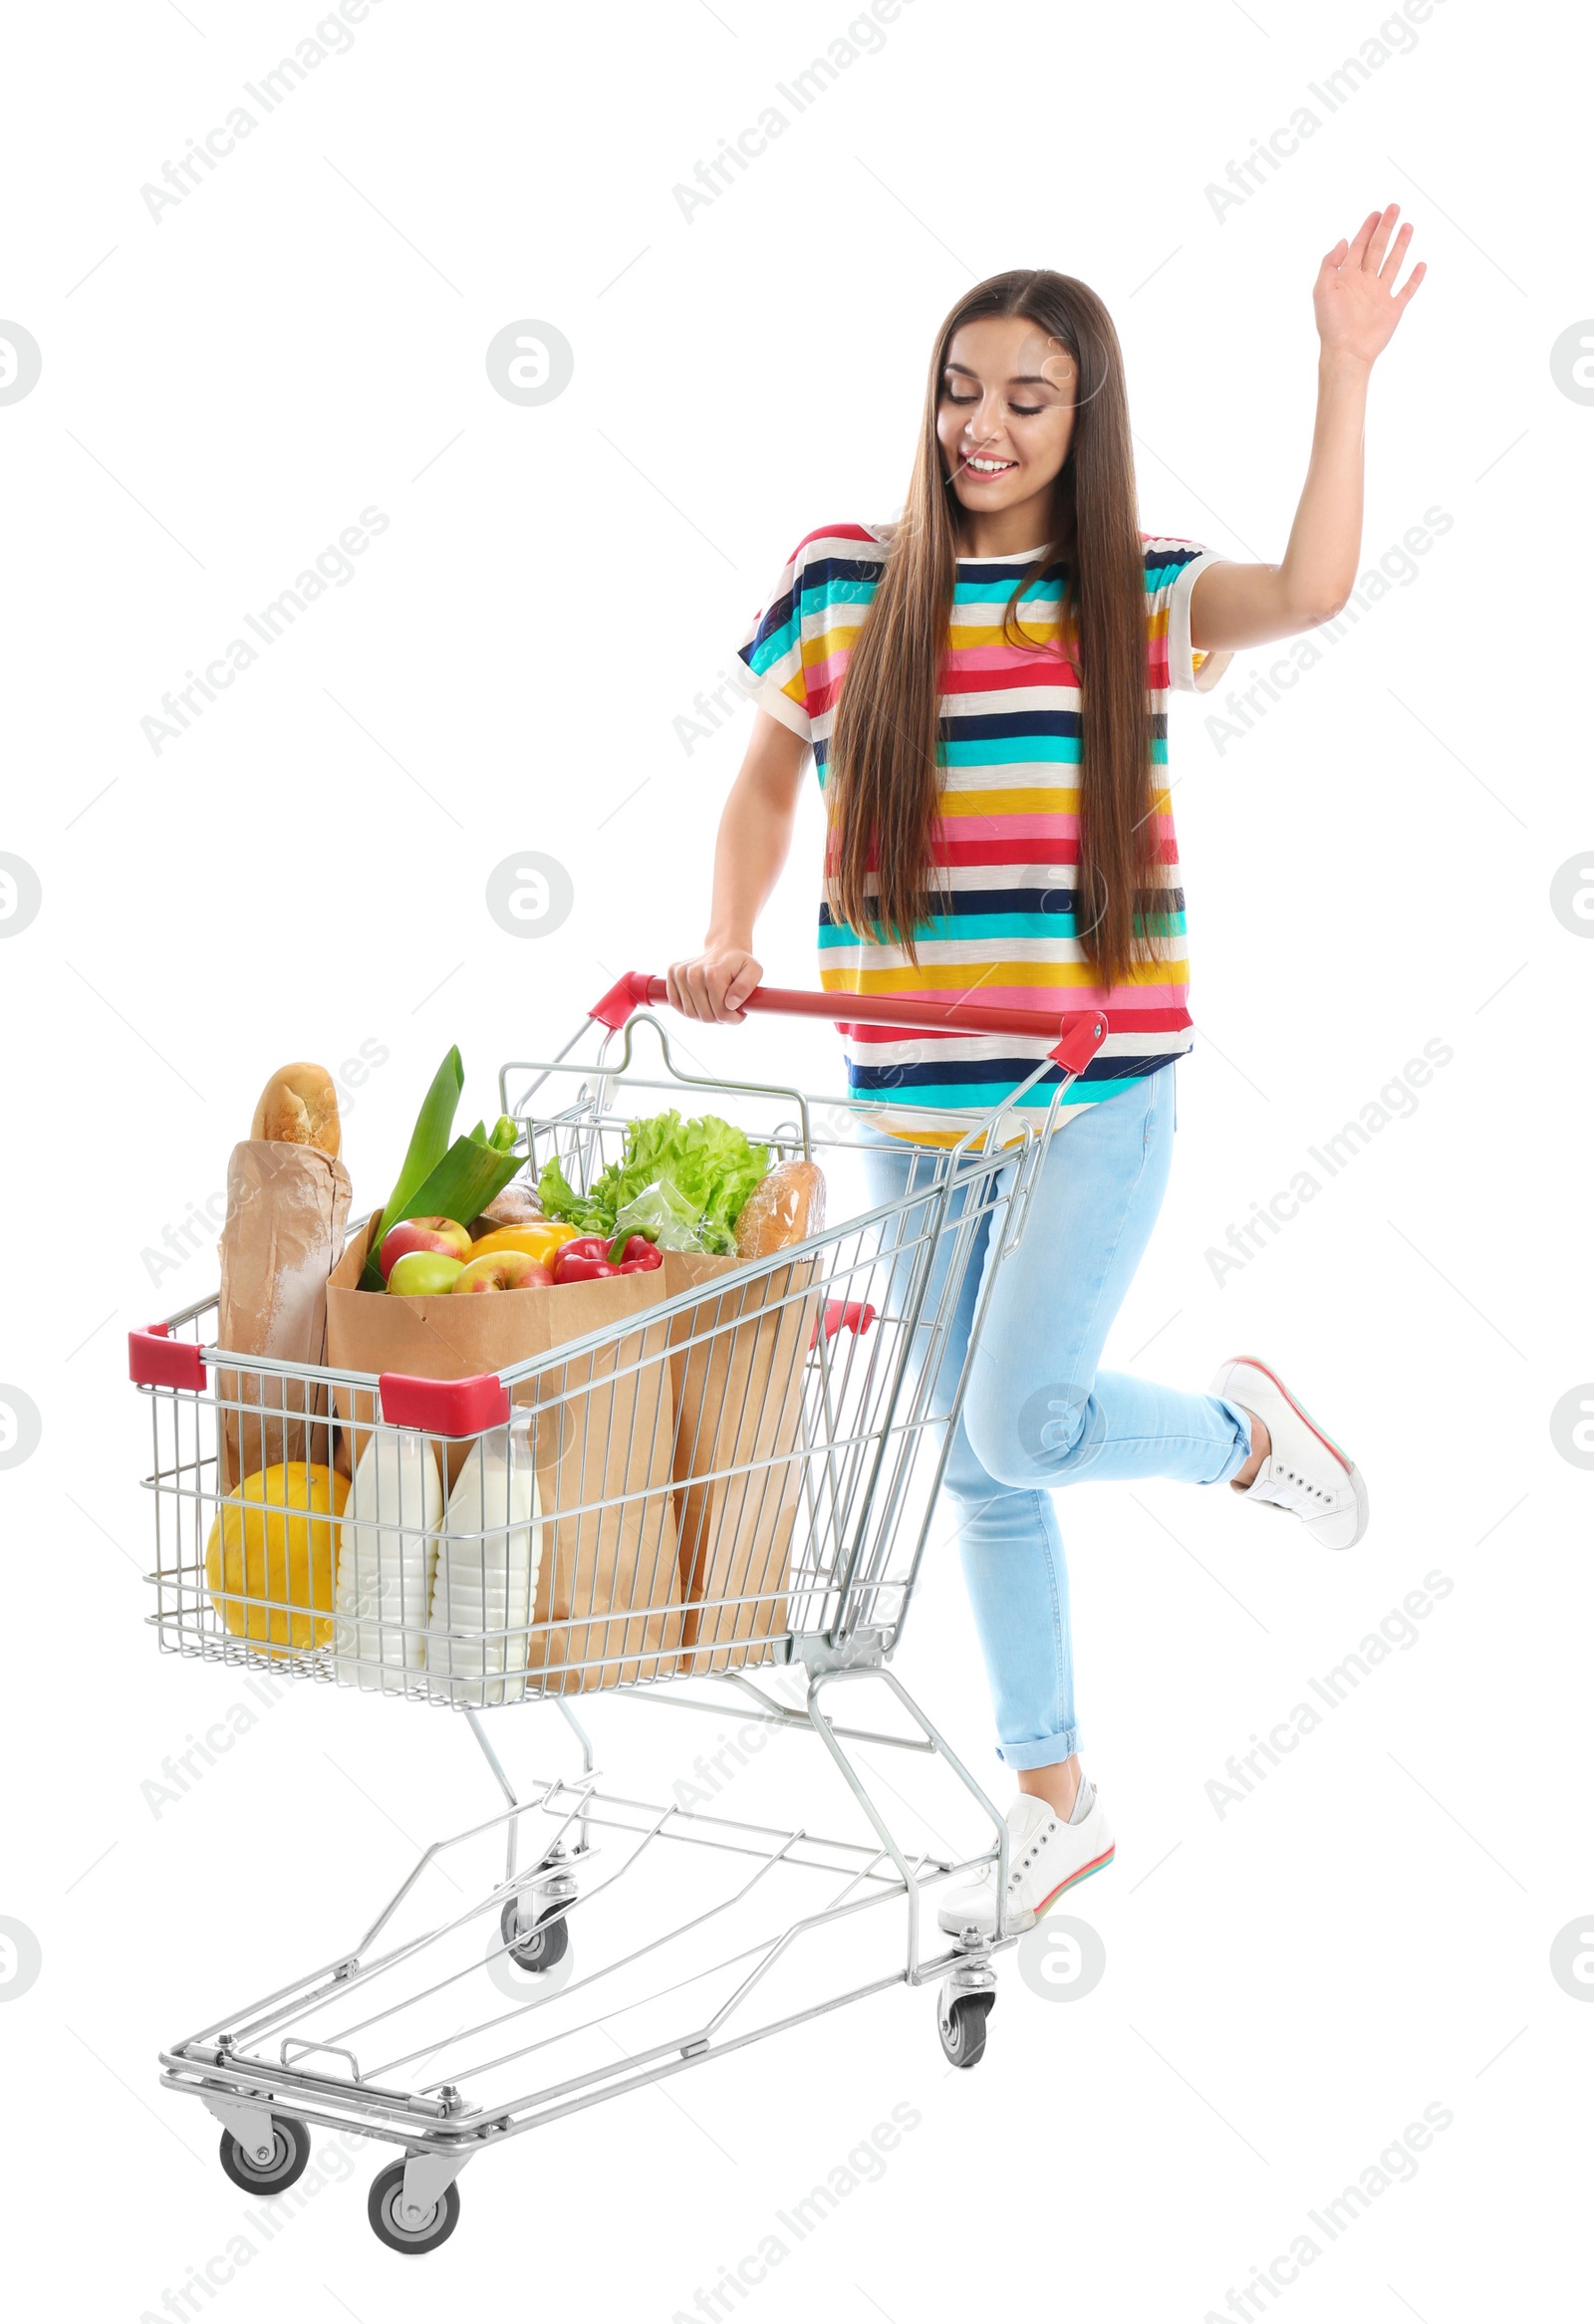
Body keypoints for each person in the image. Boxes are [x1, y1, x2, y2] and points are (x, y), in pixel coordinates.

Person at [667, 211, 1425, 1937]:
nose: (983, 425)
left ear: (1086, 420)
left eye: (1029, 395)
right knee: (987, 1462)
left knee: (1018, 1419)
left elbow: (1309, 590)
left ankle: (1239, 1433)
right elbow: (766, 786)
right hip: (912, 1101)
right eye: (960, 389)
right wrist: (724, 929)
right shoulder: (844, 581)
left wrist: (1345, 366)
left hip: (1094, 1094)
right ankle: (1053, 1796)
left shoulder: (1134, 594)